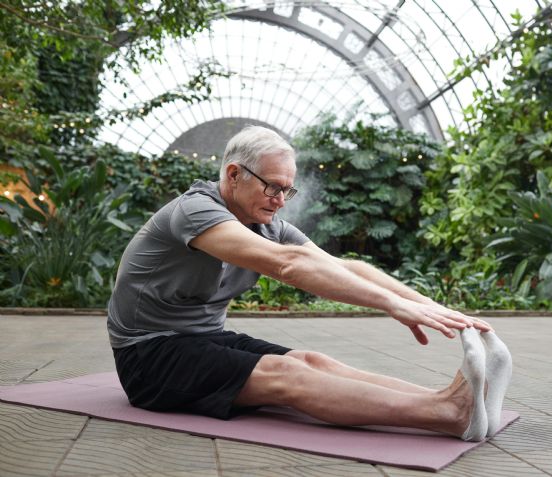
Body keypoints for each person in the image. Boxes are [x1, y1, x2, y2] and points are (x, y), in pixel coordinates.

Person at [106, 125, 512, 441]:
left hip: (201, 340)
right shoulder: (195, 211)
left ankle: (449, 400)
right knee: (285, 374)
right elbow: (288, 264)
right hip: (148, 357)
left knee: (313, 361)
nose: (281, 199)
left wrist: (425, 304)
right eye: (273, 187)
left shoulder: (267, 224)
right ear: (234, 174)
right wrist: (390, 306)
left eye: (287, 189)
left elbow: (344, 266)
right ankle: (447, 415)